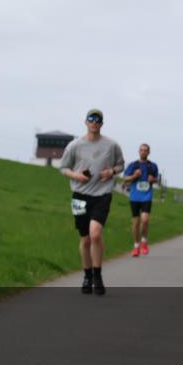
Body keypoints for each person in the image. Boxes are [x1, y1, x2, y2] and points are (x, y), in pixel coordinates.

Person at [58, 108, 125, 296]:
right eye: (91, 119)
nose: (94, 122)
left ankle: (97, 275)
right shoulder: (74, 146)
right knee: (85, 238)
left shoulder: (112, 145)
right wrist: (76, 175)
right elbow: (63, 168)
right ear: (85, 122)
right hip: (80, 195)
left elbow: (121, 165)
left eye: (98, 120)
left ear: (102, 123)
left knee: (95, 233)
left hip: (102, 195)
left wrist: (111, 172)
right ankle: (86, 275)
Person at [123, 143, 159, 257]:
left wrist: (153, 179)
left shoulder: (152, 166)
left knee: (145, 220)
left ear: (149, 152)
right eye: (142, 150)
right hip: (134, 197)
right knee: (136, 223)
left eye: (145, 150)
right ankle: (136, 246)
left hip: (146, 196)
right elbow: (125, 178)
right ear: (139, 151)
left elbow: (157, 179)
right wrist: (134, 176)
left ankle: (144, 241)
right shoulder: (133, 165)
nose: (143, 152)